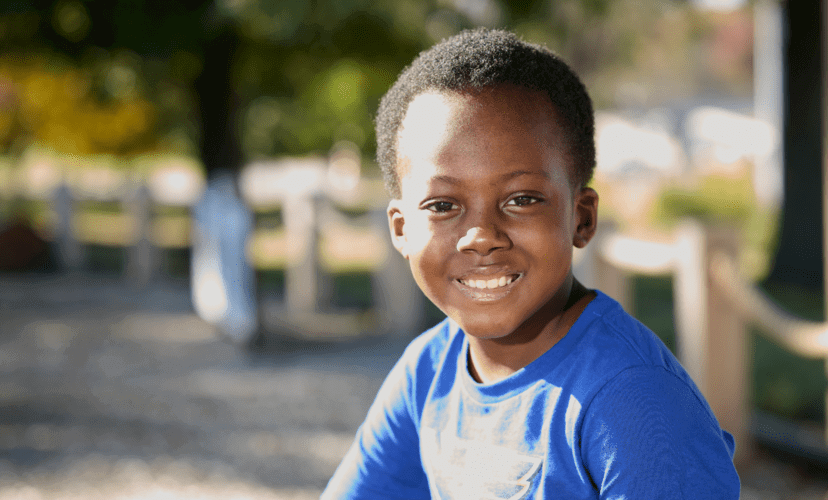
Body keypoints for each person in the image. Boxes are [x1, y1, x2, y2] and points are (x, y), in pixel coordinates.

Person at [322, 28, 740, 499]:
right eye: (442, 205)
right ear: (401, 228)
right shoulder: (428, 370)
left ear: (581, 218)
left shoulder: (635, 402)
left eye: (521, 199)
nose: (481, 236)